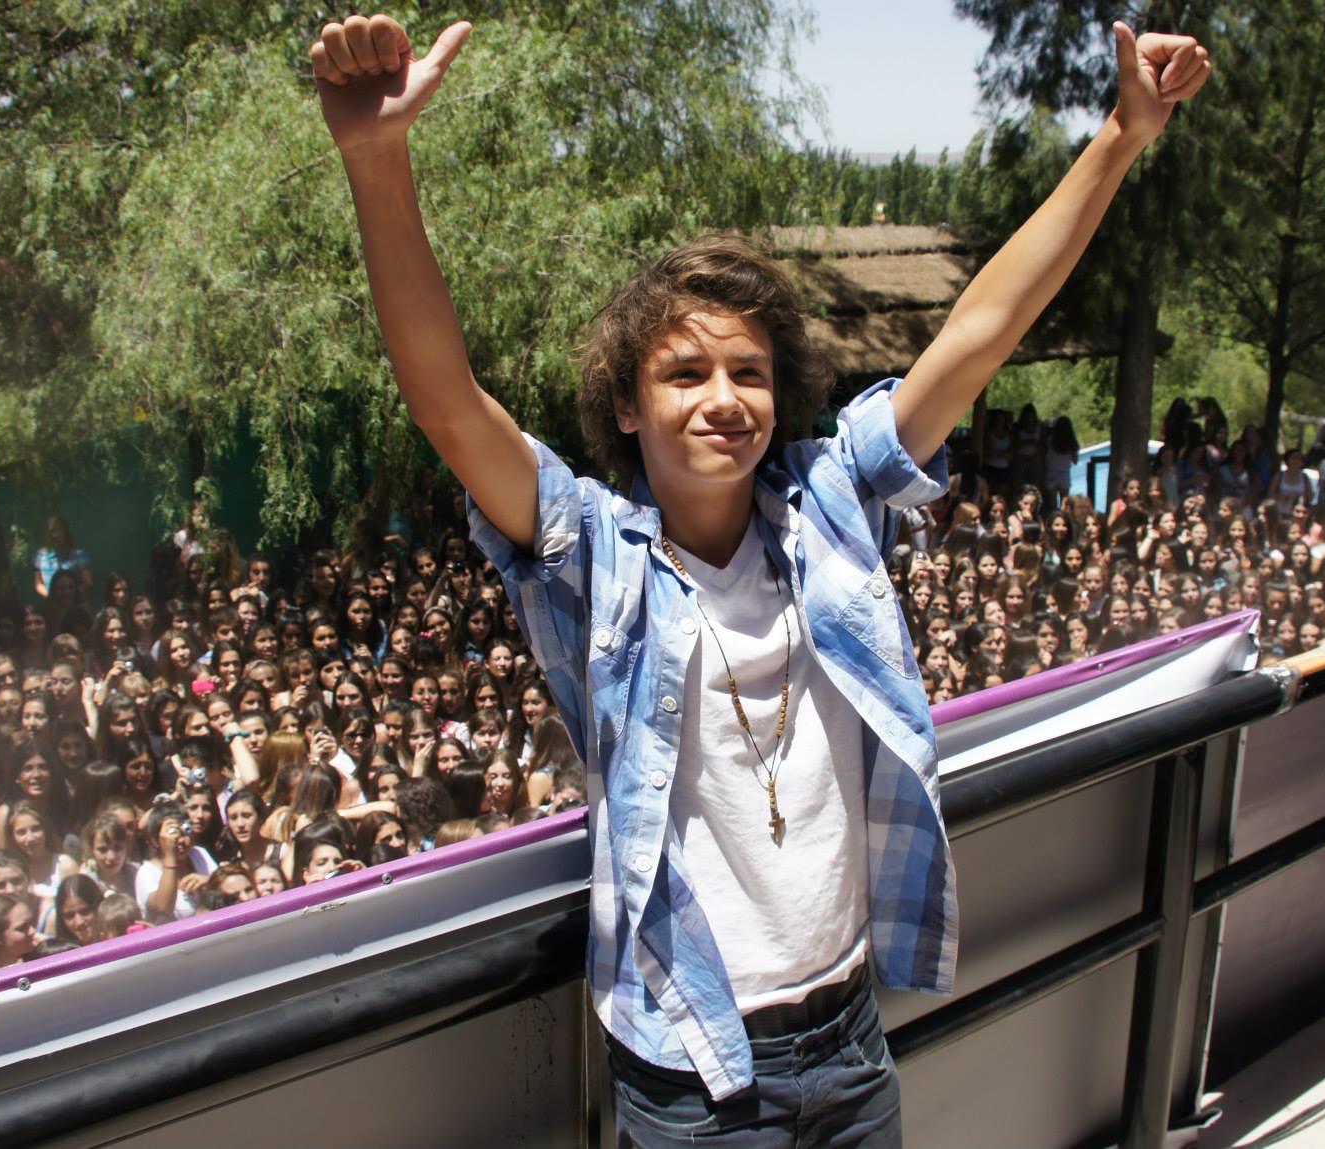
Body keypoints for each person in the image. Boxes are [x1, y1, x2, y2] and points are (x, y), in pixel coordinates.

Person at [308, 11, 1209, 1143]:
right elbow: (446, 399)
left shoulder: (831, 511)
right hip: (693, 1073)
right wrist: (376, 158)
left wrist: (1121, 135)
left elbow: (982, 328)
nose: (721, 397)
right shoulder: (591, 557)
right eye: (683, 373)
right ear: (628, 408)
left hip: (849, 1039)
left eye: (747, 370)